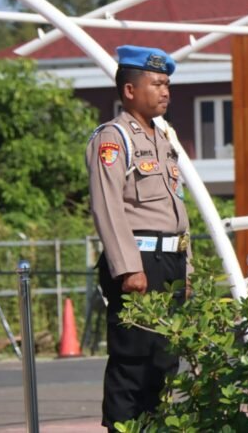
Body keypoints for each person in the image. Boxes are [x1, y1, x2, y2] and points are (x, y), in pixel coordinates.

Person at [86, 45, 192, 431]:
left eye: (167, 84)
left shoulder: (163, 140)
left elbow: (178, 213)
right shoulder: (114, 139)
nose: (165, 91)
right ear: (130, 90)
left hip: (169, 262)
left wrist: (188, 268)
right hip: (138, 262)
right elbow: (108, 207)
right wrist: (128, 268)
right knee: (133, 362)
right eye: (156, 83)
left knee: (164, 361)